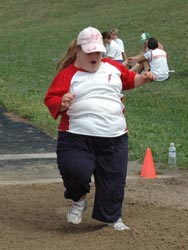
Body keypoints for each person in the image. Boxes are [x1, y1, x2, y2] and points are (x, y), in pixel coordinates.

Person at [44, 26, 156, 231]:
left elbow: (130, 81)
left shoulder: (113, 67)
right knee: (74, 170)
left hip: (114, 136)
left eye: (98, 51)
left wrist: (144, 78)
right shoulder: (68, 74)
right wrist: (62, 103)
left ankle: (112, 217)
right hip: (76, 136)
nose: (95, 56)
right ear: (79, 52)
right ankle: (78, 200)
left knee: (113, 179)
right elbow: (50, 98)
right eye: (90, 52)